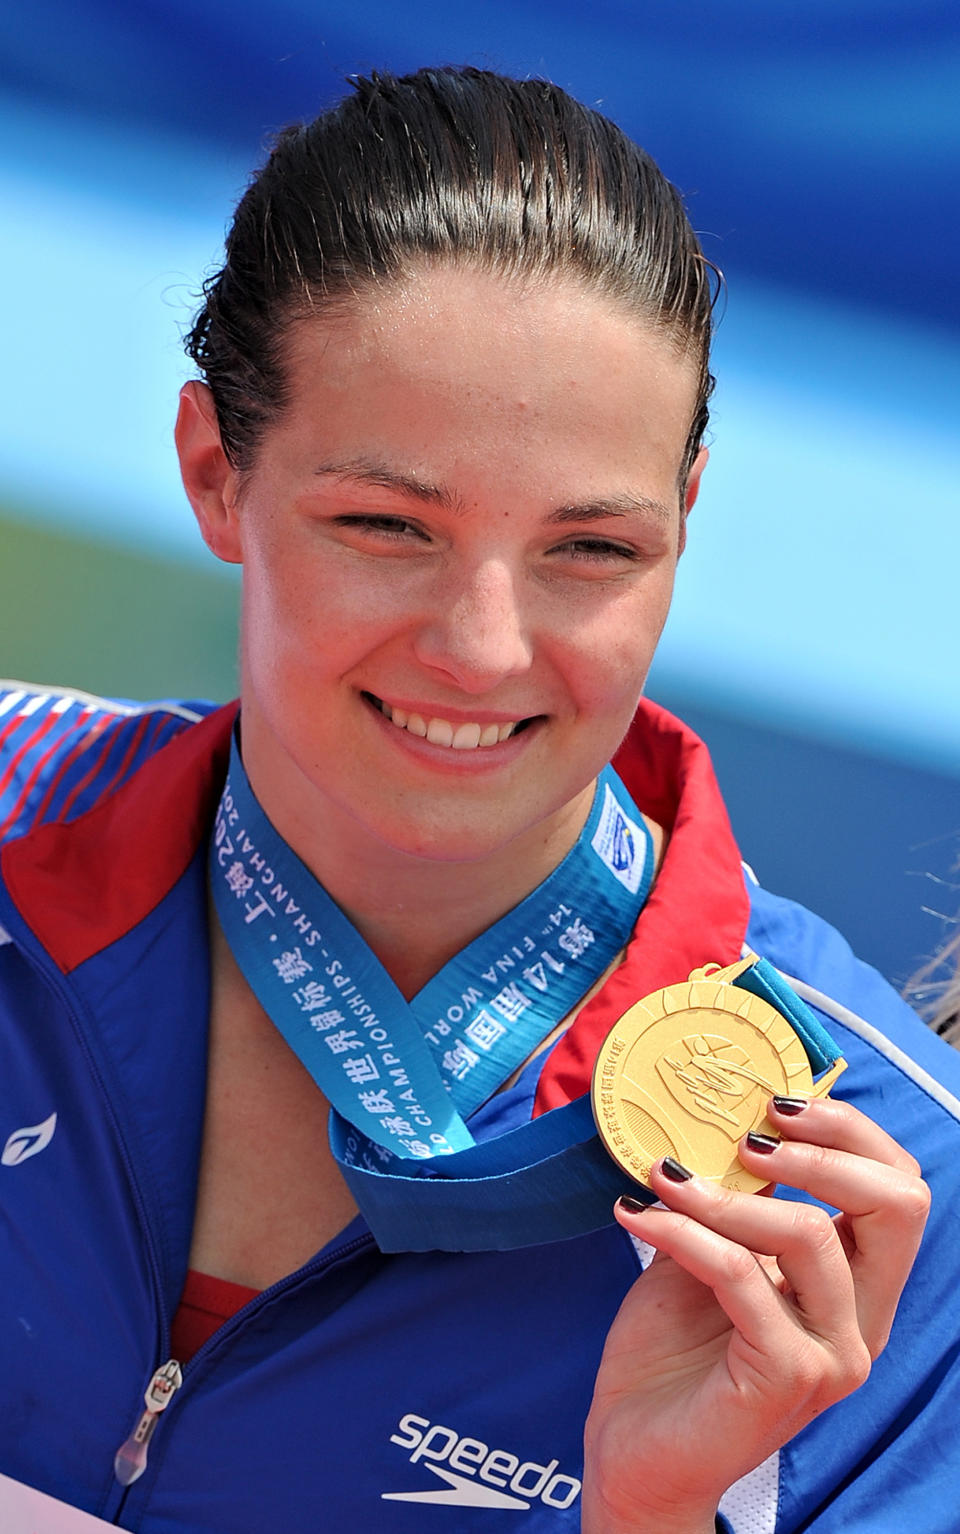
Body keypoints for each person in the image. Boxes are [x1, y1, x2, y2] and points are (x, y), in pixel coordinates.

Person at [1, 66, 958, 1534]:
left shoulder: (878, 1180)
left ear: (686, 521)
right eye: (388, 525)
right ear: (213, 468)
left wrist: (643, 1515)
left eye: (591, 548)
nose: (485, 646)